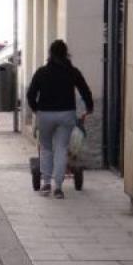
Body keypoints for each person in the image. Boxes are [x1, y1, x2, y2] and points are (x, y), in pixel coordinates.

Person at [26, 39, 93, 199]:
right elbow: (84, 90)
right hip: (66, 114)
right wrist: (89, 107)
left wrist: (36, 110)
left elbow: (30, 94)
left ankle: (46, 184)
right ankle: (59, 188)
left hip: (46, 115)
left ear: (50, 54)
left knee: (46, 148)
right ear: (66, 54)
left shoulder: (42, 72)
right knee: (62, 149)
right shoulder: (72, 71)